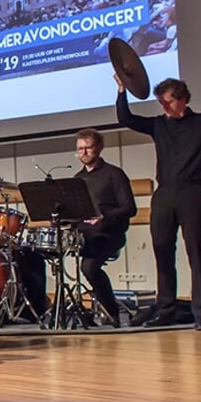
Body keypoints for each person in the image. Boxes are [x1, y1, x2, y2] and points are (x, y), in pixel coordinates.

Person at [117, 76, 201, 330]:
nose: (163, 107)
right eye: (161, 103)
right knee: (162, 249)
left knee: (196, 251)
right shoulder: (158, 125)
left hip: (191, 193)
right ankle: (166, 308)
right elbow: (126, 119)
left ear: (182, 100)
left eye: (167, 102)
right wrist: (122, 91)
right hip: (165, 193)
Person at [72, 129, 136, 327]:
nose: (83, 153)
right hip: (85, 234)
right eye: (79, 149)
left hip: (109, 233)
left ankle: (114, 312)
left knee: (89, 267)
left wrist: (103, 217)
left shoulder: (114, 174)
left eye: (87, 148)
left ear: (98, 148)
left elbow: (129, 208)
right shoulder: (77, 178)